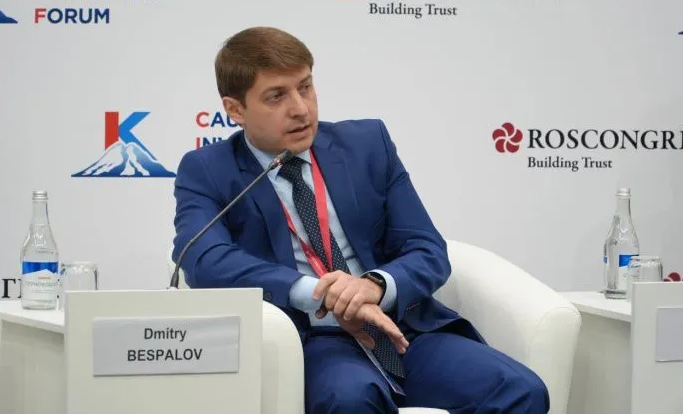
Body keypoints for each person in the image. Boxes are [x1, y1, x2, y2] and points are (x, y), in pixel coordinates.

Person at [172, 26, 549, 413]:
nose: (300, 108)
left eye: (305, 87)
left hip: (402, 329)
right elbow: (203, 259)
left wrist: (375, 286)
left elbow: (427, 249)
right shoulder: (207, 170)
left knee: (522, 390)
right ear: (235, 110)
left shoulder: (367, 144)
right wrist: (320, 294)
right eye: (276, 96)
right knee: (351, 399)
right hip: (314, 340)